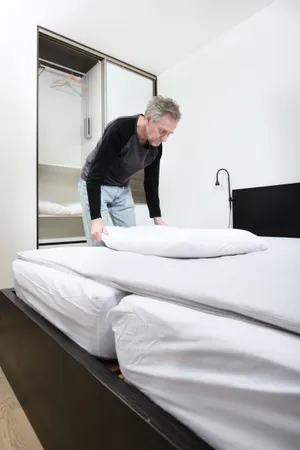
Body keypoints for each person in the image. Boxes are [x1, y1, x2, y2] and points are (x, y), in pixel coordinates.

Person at [78, 95, 181, 245]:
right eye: (162, 131)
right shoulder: (120, 129)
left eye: (169, 134)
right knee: (102, 242)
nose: (164, 139)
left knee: (130, 241)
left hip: (122, 189)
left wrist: (156, 218)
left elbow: (151, 182)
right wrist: (95, 219)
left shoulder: (156, 147)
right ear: (148, 118)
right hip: (95, 184)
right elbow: (95, 174)